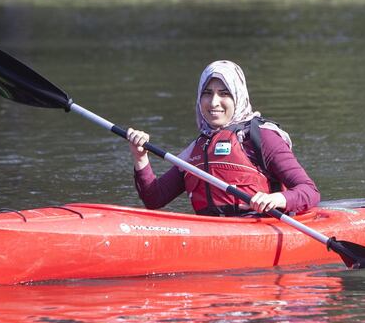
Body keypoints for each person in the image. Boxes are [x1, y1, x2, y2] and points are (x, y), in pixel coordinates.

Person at [127, 60, 319, 216]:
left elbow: (310, 191)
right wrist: (140, 157)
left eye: (224, 93)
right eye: (207, 93)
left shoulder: (262, 137)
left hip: (260, 227)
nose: (214, 102)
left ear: (238, 96)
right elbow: (154, 199)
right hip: (212, 232)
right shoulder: (196, 149)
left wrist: (277, 199)